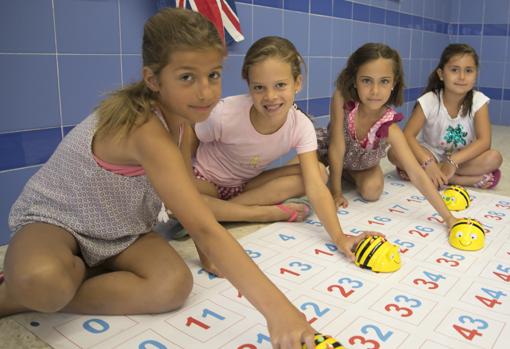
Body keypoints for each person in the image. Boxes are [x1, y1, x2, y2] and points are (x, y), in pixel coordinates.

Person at [1, 9, 318, 348]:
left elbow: (187, 202)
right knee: (42, 282)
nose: (205, 92)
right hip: (59, 222)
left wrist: (204, 253)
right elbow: (207, 228)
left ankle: (72, 276)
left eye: (213, 75)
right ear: (153, 79)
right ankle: (19, 294)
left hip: (122, 229)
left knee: (171, 286)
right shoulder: (145, 130)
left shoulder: (182, 120)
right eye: (186, 77)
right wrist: (280, 312)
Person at [191, 36, 374, 273]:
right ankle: (258, 213)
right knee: (181, 200)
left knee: (317, 172)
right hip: (205, 180)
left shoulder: (300, 125)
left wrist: (340, 237)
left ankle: (223, 211)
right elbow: (187, 147)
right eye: (259, 87)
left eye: (280, 85)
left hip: (243, 184)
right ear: (248, 86)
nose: (270, 97)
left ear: (297, 83)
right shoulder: (225, 113)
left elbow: (316, 189)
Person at [317, 43, 457, 229]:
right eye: (366, 80)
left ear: (394, 83)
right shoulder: (342, 98)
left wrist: (448, 217)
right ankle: (337, 175)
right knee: (310, 170)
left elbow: (416, 173)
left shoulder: (390, 129)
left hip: (361, 165)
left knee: (372, 191)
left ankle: (346, 173)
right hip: (330, 152)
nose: (375, 91)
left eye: (384, 81)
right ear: (354, 80)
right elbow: (336, 145)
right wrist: (336, 191)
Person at [390, 43, 502, 189]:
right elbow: (408, 136)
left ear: (476, 74)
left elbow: (484, 141)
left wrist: (453, 161)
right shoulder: (429, 100)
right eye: (454, 70)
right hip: (431, 154)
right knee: (394, 153)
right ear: (441, 74)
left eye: (468, 71)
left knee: (494, 158)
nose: (462, 77)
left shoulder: (478, 101)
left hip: (462, 159)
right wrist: (427, 162)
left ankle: (428, 175)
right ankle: (457, 179)